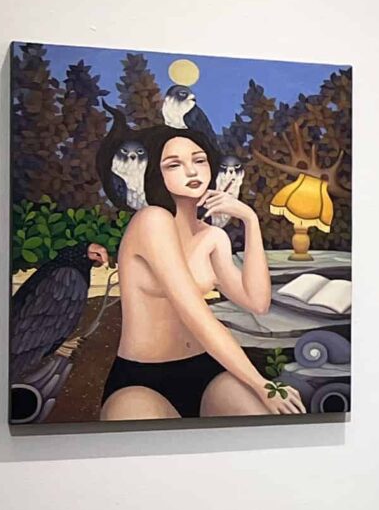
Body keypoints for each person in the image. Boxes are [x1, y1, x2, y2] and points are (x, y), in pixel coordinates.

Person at [100, 127, 305, 419]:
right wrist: (261, 384)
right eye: (174, 164)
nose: (191, 171)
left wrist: (250, 220)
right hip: (143, 378)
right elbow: (196, 315)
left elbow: (257, 303)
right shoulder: (151, 221)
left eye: (199, 160)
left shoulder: (212, 236)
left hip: (206, 368)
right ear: (156, 173)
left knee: (262, 425)